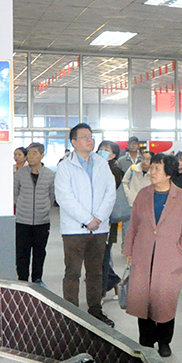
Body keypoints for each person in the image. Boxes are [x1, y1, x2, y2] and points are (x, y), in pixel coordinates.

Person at [123, 154, 182, 357]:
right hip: (143, 254)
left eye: (157, 168)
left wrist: (181, 249)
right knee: (143, 299)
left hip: (169, 257)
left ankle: (164, 341)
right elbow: (134, 224)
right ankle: (146, 340)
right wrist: (129, 250)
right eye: (152, 167)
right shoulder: (143, 195)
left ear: (169, 173)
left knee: (165, 300)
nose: (152, 171)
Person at [54, 123, 116, 326]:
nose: (90, 140)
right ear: (74, 142)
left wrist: (98, 218)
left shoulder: (101, 164)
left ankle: (95, 310)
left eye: (91, 136)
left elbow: (110, 193)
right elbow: (64, 197)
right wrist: (87, 219)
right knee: (72, 273)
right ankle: (71, 313)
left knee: (96, 272)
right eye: (84, 137)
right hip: (74, 230)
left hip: (99, 228)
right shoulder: (65, 166)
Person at [14, 142, 55, 284]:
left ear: (42, 155)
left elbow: (52, 196)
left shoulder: (50, 175)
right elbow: (15, 193)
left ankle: (37, 278)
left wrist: (44, 208)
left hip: (42, 221)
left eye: (34, 153)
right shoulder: (20, 174)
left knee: (39, 251)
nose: (31, 156)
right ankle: (22, 280)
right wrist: (22, 206)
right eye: (29, 153)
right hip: (22, 220)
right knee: (22, 252)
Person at [97, 140, 125, 295]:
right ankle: (113, 280)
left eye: (106, 149)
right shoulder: (95, 166)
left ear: (114, 155)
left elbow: (111, 195)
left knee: (103, 257)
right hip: (92, 218)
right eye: (101, 148)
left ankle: (101, 291)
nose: (102, 151)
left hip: (107, 219)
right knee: (97, 256)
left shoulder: (114, 170)